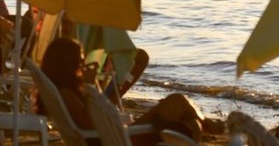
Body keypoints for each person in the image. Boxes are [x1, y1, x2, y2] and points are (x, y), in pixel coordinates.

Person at [35, 37, 204, 144]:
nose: (82, 66)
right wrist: (88, 87)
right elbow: (90, 122)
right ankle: (209, 125)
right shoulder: (66, 94)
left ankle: (206, 124)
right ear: (67, 65)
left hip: (113, 134)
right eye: (79, 63)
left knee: (184, 115)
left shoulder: (59, 89)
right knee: (177, 102)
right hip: (118, 139)